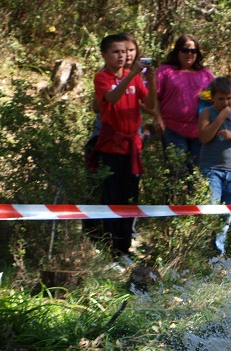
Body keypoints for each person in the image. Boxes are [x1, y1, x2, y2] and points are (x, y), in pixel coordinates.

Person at [90, 33, 156, 261]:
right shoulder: (102, 77)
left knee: (130, 197)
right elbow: (112, 97)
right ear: (105, 55)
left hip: (132, 147)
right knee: (112, 197)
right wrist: (133, 75)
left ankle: (124, 248)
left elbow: (150, 103)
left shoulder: (134, 76)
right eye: (116, 52)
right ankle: (111, 249)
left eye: (125, 51)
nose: (121, 56)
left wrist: (152, 79)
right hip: (111, 146)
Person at [198, 76, 231, 256]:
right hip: (212, 170)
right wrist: (220, 118)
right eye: (221, 98)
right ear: (212, 97)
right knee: (211, 211)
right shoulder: (207, 112)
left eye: (229, 98)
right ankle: (204, 251)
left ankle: (218, 253)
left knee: (226, 216)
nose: (226, 102)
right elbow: (204, 137)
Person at [154, 34, 215, 174]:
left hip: (199, 131)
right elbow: (155, 97)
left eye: (193, 51)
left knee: (198, 175)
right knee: (176, 173)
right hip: (172, 129)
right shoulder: (165, 71)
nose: (189, 54)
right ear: (177, 51)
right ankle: (175, 196)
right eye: (185, 50)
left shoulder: (205, 74)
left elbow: (219, 97)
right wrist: (158, 119)